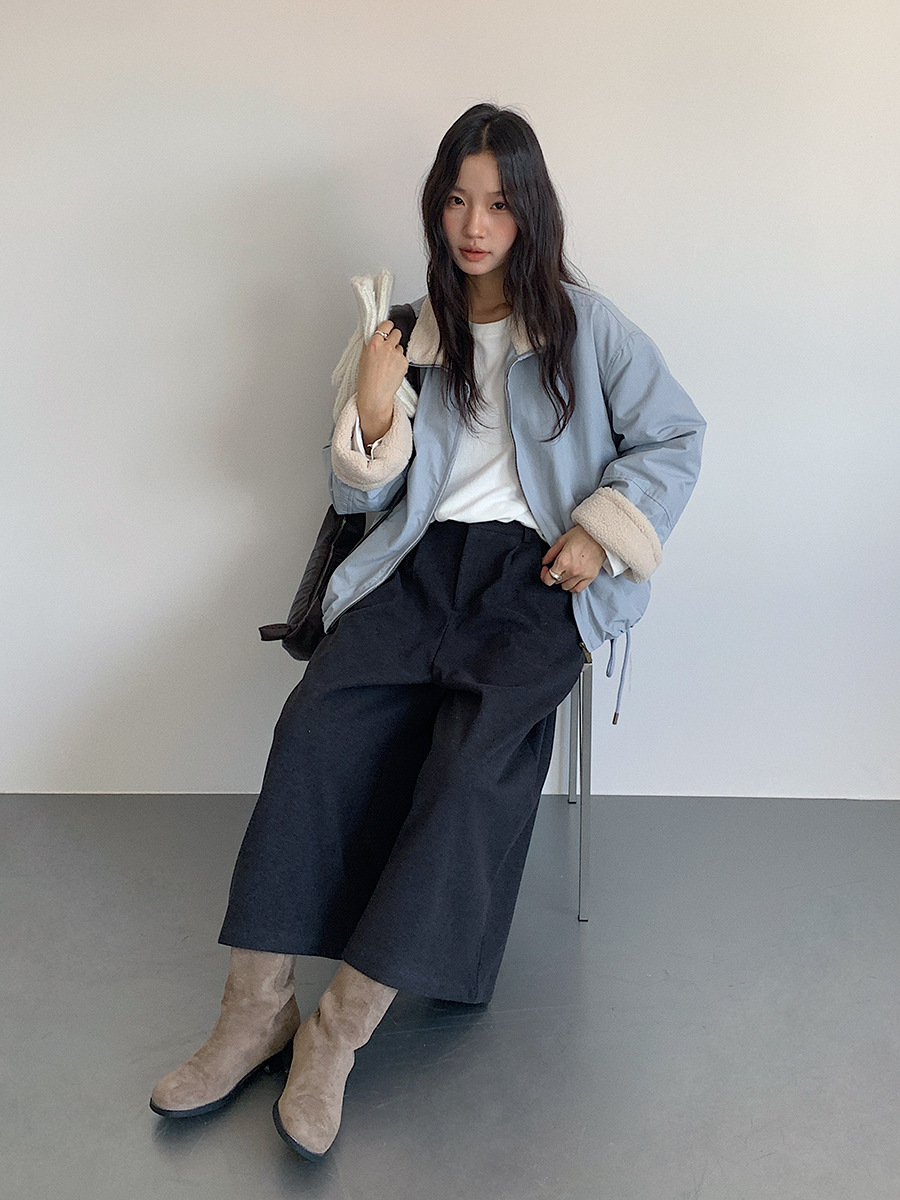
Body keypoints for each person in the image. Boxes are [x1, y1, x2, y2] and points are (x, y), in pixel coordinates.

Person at [149, 103, 705, 1160]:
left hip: (536, 576)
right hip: (419, 564)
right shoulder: (405, 332)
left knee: (470, 769)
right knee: (314, 724)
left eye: (497, 202)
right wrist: (370, 403)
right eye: (456, 199)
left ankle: (336, 1033)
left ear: (530, 211)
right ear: (435, 208)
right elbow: (358, 498)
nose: (474, 224)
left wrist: (600, 533)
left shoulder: (589, 328)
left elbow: (677, 435)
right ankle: (254, 1011)